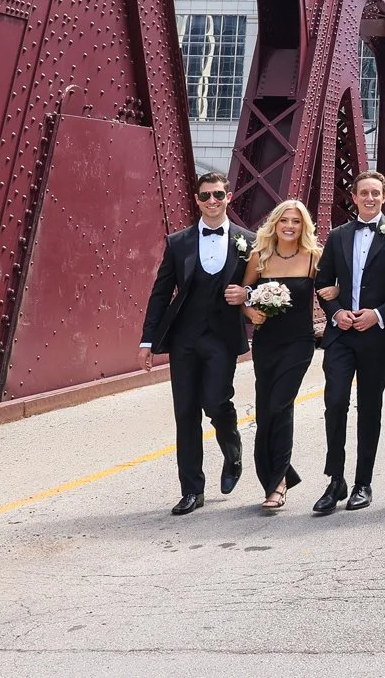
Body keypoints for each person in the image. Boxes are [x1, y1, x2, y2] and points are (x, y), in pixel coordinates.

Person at [139, 171, 250, 515]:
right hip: (185, 338)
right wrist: (147, 340)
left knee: (216, 403)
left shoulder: (248, 241)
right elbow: (160, 294)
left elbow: (269, 284)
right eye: (205, 196)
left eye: (218, 195)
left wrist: (247, 294)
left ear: (228, 197)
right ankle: (191, 490)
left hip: (222, 338)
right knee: (185, 413)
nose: (212, 201)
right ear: (196, 200)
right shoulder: (178, 242)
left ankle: (232, 449)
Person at [311, 171, 385, 514]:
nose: (369, 198)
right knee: (335, 401)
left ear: (384, 196)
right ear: (354, 198)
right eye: (363, 193)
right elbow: (323, 281)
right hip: (340, 333)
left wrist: (381, 314)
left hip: (376, 333)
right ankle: (335, 479)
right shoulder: (338, 235)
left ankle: (362, 482)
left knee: (370, 406)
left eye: (376, 193)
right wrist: (336, 312)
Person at [239, 198, 321, 510]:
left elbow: (332, 286)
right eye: (285, 220)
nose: (290, 226)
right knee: (265, 412)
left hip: (299, 343)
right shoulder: (259, 257)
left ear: (304, 226)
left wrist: (337, 297)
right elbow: (243, 293)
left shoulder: (314, 257)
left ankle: (278, 485)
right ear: (276, 223)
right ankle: (278, 474)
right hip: (266, 342)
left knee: (280, 406)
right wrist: (250, 312)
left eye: (296, 221)